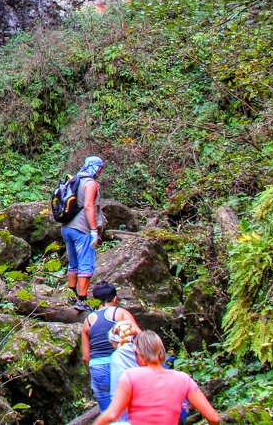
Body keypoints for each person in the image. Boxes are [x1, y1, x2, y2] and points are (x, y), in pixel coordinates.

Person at [95, 331, 221, 425]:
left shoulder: (130, 376)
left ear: (138, 354)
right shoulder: (183, 379)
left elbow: (112, 414)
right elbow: (214, 418)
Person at [80, 281, 141, 415]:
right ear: (115, 299)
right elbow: (140, 335)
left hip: (97, 368)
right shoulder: (120, 313)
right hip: (120, 364)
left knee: (107, 413)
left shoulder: (88, 321)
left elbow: (85, 357)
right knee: (130, 408)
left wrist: (91, 373)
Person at [63, 155, 105, 310]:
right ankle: (82, 300)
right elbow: (88, 206)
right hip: (81, 229)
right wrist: (94, 230)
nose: (100, 170)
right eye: (100, 167)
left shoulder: (74, 180)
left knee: (73, 262)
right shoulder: (90, 183)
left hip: (67, 228)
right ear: (95, 167)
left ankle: (71, 296)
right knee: (85, 264)